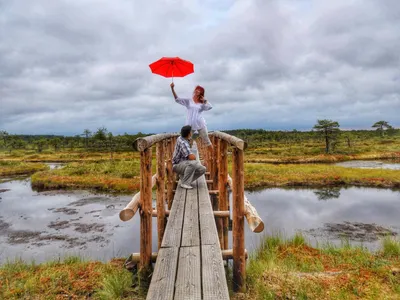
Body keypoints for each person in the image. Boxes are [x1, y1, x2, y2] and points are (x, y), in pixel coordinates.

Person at [170, 82, 213, 155]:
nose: (197, 91)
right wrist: (172, 88)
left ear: (201, 93)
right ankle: (187, 160)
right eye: (196, 89)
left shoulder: (202, 103)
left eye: (199, 90)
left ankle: (213, 158)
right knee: (187, 143)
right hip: (190, 125)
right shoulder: (189, 100)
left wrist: (204, 101)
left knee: (207, 141)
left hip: (200, 124)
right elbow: (177, 99)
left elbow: (210, 107)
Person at [172, 125, 206, 189]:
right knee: (194, 163)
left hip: (183, 163)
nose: (192, 133)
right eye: (191, 132)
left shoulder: (181, 138)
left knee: (203, 169)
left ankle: (185, 179)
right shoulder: (183, 143)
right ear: (188, 133)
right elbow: (191, 157)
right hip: (177, 165)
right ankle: (185, 183)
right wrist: (194, 158)